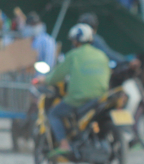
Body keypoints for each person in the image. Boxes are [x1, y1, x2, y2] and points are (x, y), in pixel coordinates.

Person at [40, 22, 110, 154]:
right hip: (100, 98)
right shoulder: (102, 55)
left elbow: (56, 76)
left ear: (76, 41)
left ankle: (64, 144)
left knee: (54, 114)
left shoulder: (73, 55)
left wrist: (44, 80)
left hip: (78, 99)